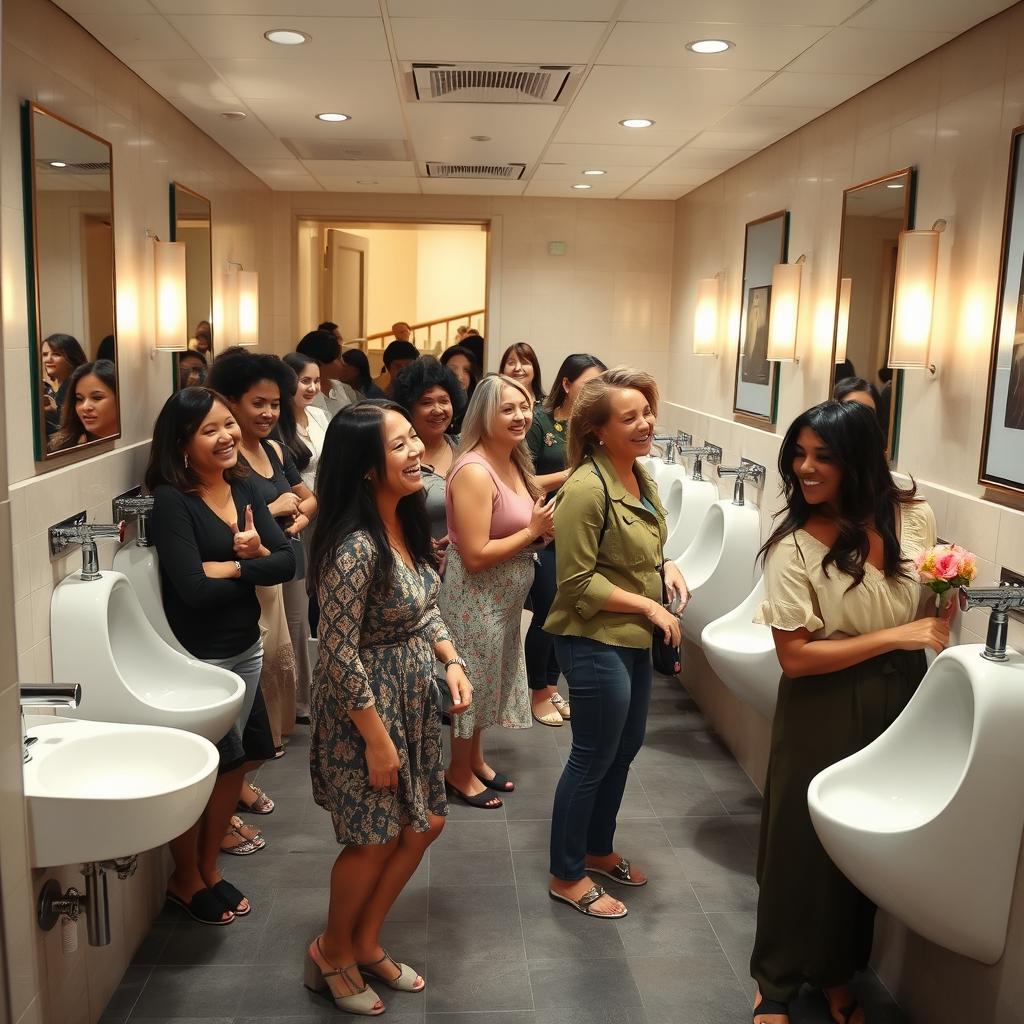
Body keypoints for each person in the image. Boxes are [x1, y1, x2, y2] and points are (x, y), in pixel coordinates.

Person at [749, 400, 949, 1024]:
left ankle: (838, 973)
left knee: (864, 838)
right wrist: (898, 637)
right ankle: (774, 981)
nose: (806, 469)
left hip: (902, 696)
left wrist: (942, 602)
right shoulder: (794, 550)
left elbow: (927, 616)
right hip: (825, 703)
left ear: (857, 463)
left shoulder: (898, 526)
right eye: (799, 455)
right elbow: (796, 659)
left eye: (824, 458)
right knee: (800, 840)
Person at [304, 399, 472, 1015]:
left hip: (412, 696)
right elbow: (338, 654)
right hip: (365, 710)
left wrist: (451, 659)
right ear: (368, 467)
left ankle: (364, 940)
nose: (417, 451)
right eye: (400, 444)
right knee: (372, 839)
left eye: (413, 440)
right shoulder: (354, 547)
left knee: (424, 822)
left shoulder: (403, 522)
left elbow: (424, 607)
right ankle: (331, 950)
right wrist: (376, 738)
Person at [147, 386, 295, 923]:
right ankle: (185, 879)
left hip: (245, 648)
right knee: (203, 770)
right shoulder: (172, 500)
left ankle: (208, 870)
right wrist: (248, 567)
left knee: (233, 763)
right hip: (200, 661)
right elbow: (191, 589)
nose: (228, 435)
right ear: (182, 443)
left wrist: (238, 563)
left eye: (227, 424)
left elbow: (287, 562)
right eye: (210, 430)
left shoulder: (244, 487)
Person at [544, 367, 688, 920]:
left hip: (629, 637)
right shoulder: (586, 486)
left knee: (623, 750)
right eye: (630, 417)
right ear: (599, 430)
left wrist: (667, 565)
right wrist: (650, 605)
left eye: (647, 412)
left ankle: (597, 850)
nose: (645, 422)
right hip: (592, 637)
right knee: (592, 755)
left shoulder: (638, 477)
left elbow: (644, 546)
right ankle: (566, 872)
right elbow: (576, 582)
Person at [438, 375, 555, 809]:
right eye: (508, 409)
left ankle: (475, 760)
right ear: (485, 415)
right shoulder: (473, 469)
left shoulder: (513, 460)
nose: (521, 416)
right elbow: (475, 554)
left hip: (502, 603)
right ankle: (456, 773)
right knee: (472, 688)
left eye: (525, 406)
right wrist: (531, 532)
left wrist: (536, 532)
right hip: (476, 600)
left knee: (487, 685)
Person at [207, 352, 316, 756]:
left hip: (284, 555)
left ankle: (280, 725)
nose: (269, 412)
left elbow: (309, 500)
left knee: (288, 644)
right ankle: (259, 735)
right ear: (231, 402)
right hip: (247, 565)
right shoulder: (224, 457)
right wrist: (273, 512)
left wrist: (299, 516)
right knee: (262, 649)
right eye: (258, 403)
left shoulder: (274, 450)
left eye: (274, 404)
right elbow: (222, 518)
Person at [525, 354, 607, 727]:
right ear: (566, 384)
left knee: (569, 609)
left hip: (581, 528)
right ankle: (534, 689)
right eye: (588, 384)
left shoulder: (594, 425)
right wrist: (571, 473)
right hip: (545, 530)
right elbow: (523, 479)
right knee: (547, 611)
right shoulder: (540, 423)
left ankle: (551, 684)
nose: (595, 392)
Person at [282, 352, 332, 723]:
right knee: (298, 606)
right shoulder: (277, 429)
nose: (313, 387)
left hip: (324, 513)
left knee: (323, 592)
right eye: (305, 381)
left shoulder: (319, 416)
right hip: (297, 519)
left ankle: (318, 682)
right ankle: (300, 696)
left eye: (316, 380)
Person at [390, 356, 466, 544]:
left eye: (444, 401)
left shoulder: (466, 446)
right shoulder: (398, 457)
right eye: (426, 402)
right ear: (408, 408)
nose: (438, 410)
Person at [49, 359, 119, 451]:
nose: (85, 407)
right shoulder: (65, 448)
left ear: (119, 398)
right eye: (79, 399)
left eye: (97, 398)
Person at [296, 330, 359, 417]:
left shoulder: (343, 388)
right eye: (338, 358)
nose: (343, 363)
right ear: (320, 363)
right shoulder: (299, 394)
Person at [41, 332, 87, 437]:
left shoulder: (76, 385)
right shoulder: (49, 388)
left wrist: (51, 414)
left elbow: (72, 429)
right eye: (44, 354)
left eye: (56, 354)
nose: (48, 359)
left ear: (71, 357)